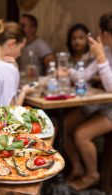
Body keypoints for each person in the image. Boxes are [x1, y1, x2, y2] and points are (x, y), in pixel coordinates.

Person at [60, 12, 112, 191]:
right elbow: (86, 75)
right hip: (99, 103)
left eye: (101, 31)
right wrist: (69, 72)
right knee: (63, 126)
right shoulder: (105, 50)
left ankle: (92, 175)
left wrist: (101, 59)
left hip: (110, 108)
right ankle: (78, 166)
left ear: (105, 33)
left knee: (81, 134)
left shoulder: (102, 53)